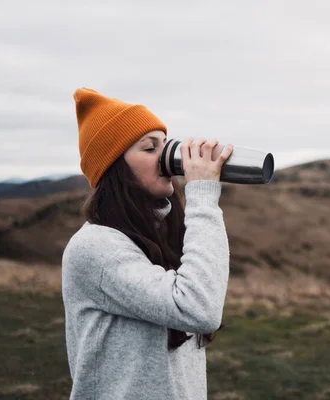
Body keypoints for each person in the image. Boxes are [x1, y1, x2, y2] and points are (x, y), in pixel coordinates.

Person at [61, 87, 234, 400]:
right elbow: (199, 309)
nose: (169, 157)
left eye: (165, 145)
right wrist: (203, 197)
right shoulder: (95, 247)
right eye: (150, 148)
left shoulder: (160, 234)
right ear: (115, 166)